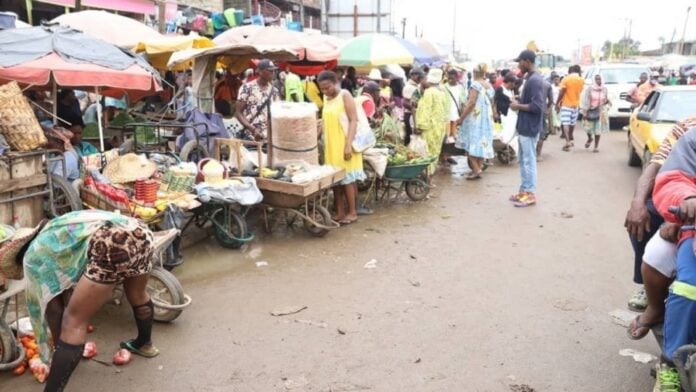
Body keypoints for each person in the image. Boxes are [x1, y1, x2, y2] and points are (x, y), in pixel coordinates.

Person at [15, 210, 160, 391]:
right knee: (138, 295)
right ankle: (145, 344)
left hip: (110, 243)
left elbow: (54, 310)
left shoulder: (33, 255)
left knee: (73, 322)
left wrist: (60, 348)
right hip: (139, 231)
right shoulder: (57, 227)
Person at [624, 117, 696, 313]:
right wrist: (637, 204)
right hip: (682, 198)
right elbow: (654, 169)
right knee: (643, 215)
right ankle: (648, 288)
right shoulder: (687, 127)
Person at [649, 129, 696, 390]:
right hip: (694, 228)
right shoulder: (692, 138)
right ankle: (670, 362)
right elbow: (672, 178)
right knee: (689, 287)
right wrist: (687, 198)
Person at [316, 71, 365, 225]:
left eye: (328, 87)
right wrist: (316, 138)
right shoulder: (326, 98)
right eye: (322, 89)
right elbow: (324, 121)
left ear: (335, 81)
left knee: (347, 180)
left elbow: (353, 121)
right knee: (336, 180)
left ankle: (352, 212)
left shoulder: (345, 95)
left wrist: (348, 145)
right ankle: (340, 212)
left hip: (344, 143)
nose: (325, 91)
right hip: (331, 145)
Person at [510, 49, 545, 207]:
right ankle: (524, 190)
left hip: (530, 127)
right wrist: (519, 100)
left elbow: (537, 106)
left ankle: (530, 193)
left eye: (520, 61)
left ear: (527, 61)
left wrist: (518, 106)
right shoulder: (530, 78)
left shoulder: (535, 80)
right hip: (525, 126)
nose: (518, 65)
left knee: (529, 161)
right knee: (524, 160)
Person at [455, 63, 495, 180]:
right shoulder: (489, 85)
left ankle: (477, 170)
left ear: (474, 73)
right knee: (482, 143)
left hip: (475, 119)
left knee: (471, 143)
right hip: (486, 119)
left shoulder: (475, 85)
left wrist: (461, 118)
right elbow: (491, 103)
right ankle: (477, 168)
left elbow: (471, 103)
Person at [235, 59, 280, 141]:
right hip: (250, 136)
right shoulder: (247, 88)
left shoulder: (274, 91)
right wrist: (252, 129)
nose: (273, 73)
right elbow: (238, 112)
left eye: (274, 70)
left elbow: (277, 114)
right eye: (270, 70)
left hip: (269, 138)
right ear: (260, 72)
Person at [415, 69, 448, 176]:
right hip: (439, 128)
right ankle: (430, 175)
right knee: (435, 152)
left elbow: (425, 110)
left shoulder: (429, 92)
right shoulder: (443, 92)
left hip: (429, 128)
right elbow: (445, 111)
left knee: (426, 152)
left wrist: (420, 126)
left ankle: (426, 176)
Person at [555, 65, 584, 152]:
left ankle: (567, 141)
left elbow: (562, 92)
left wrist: (557, 103)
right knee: (572, 122)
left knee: (565, 123)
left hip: (566, 104)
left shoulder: (566, 79)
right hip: (576, 105)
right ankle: (570, 138)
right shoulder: (581, 80)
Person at [580, 74, 611, 152]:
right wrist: (585, 112)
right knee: (588, 128)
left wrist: (607, 102)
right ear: (594, 80)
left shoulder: (604, 89)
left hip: (600, 111)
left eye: (600, 79)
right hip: (590, 110)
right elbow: (586, 100)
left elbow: (606, 99)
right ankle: (590, 138)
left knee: (598, 129)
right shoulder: (590, 89)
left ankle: (596, 146)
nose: (598, 81)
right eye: (597, 79)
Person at [444, 68, 467, 161]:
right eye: (449, 78)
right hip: (445, 117)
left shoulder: (460, 88)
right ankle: (444, 156)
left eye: (452, 78)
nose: (450, 80)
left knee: (453, 138)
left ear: (457, 78)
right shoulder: (444, 87)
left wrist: (462, 116)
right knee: (445, 137)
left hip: (456, 117)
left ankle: (449, 155)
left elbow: (463, 102)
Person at [403, 68, 425, 146]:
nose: (420, 78)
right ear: (413, 76)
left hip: (414, 114)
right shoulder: (409, 87)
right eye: (418, 76)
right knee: (410, 136)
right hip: (409, 115)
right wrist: (416, 108)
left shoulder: (416, 86)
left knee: (412, 136)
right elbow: (405, 102)